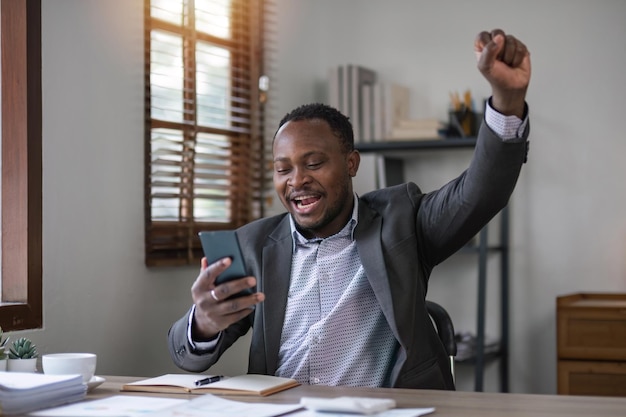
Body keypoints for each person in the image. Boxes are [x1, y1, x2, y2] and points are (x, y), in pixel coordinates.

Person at [168, 29, 531, 390]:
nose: (297, 180)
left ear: (351, 163)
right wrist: (203, 321)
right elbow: (186, 355)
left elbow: (480, 194)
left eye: (313, 163)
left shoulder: (402, 222)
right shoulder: (253, 244)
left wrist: (507, 102)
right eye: (283, 169)